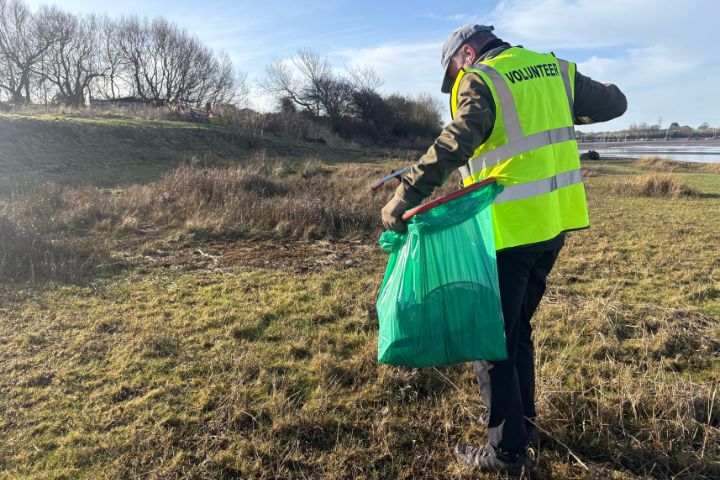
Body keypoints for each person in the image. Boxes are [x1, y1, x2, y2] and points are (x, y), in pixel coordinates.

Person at [380, 24, 627, 477]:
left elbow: (456, 141)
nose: (453, 86)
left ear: (467, 54)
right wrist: (564, 106)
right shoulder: (554, 71)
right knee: (516, 333)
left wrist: (405, 194)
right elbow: (616, 102)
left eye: (452, 74)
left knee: (490, 341)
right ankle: (521, 425)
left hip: (508, 232)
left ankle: (506, 454)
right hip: (553, 226)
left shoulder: (483, 78)